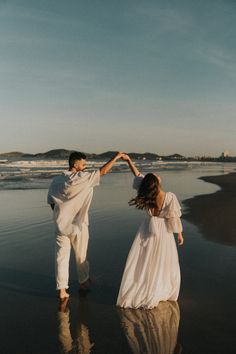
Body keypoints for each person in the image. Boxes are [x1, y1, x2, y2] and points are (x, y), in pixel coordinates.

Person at [48, 151, 125, 300]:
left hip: (60, 225)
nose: (85, 166)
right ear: (75, 164)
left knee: (61, 258)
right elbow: (103, 171)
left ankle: (62, 291)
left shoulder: (57, 180)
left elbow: (51, 201)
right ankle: (83, 282)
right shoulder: (83, 178)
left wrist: (61, 215)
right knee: (81, 254)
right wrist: (116, 157)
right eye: (83, 164)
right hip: (78, 225)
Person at [117, 155, 184, 309]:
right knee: (161, 261)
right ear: (156, 182)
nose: (158, 175)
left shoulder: (146, 192)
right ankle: (157, 289)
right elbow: (173, 218)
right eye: (156, 175)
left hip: (147, 229)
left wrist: (128, 161)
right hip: (163, 232)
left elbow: (137, 175)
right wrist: (179, 234)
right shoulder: (169, 197)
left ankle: (143, 288)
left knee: (144, 260)